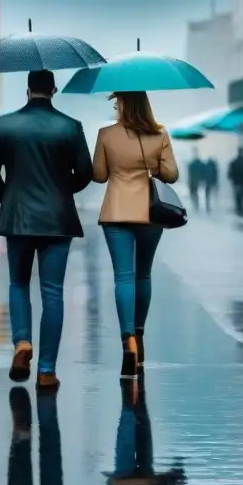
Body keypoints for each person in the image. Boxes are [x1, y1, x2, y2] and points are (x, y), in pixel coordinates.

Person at [0, 69, 92, 391]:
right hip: (57, 220)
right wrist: (61, 191)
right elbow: (85, 173)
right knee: (53, 292)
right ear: (54, 90)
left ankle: (22, 344)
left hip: (18, 218)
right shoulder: (71, 127)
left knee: (18, 282)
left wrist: (9, 197)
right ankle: (46, 370)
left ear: (27, 90)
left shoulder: (5, 123)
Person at [92, 91, 179, 380]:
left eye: (117, 102)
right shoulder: (160, 133)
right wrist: (151, 164)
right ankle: (139, 337)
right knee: (143, 275)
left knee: (123, 277)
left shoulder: (106, 134)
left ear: (123, 104)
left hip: (116, 212)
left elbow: (99, 174)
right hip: (149, 213)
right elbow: (172, 174)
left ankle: (126, 339)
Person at [227, 147, 243, 216]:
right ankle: (241, 208)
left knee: (237, 196)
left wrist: (231, 178)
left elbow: (230, 171)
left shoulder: (234, 161)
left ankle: (239, 208)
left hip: (236, 181)